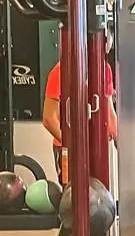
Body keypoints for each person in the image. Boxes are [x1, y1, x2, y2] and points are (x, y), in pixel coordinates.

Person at [42, 56, 117, 184]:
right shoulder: (60, 70)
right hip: (68, 148)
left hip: (96, 147)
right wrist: (75, 146)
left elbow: (109, 112)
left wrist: (120, 141)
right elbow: (49, 119)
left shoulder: (104, 69)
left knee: (99, 190)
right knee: (72, 191)